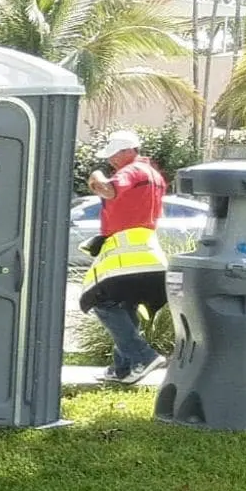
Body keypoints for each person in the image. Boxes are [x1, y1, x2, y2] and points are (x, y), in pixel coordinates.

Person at [79, 129, 170, 384]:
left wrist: (96, 176)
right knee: (124, 305)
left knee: (101, 301)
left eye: (113, 156)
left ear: (128, 152)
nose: (110, 162)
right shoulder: (154, 175)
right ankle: (121, 368)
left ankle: (142, 356)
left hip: (127, 255)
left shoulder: (131, 171)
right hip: (149, 254)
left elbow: (107, 190)